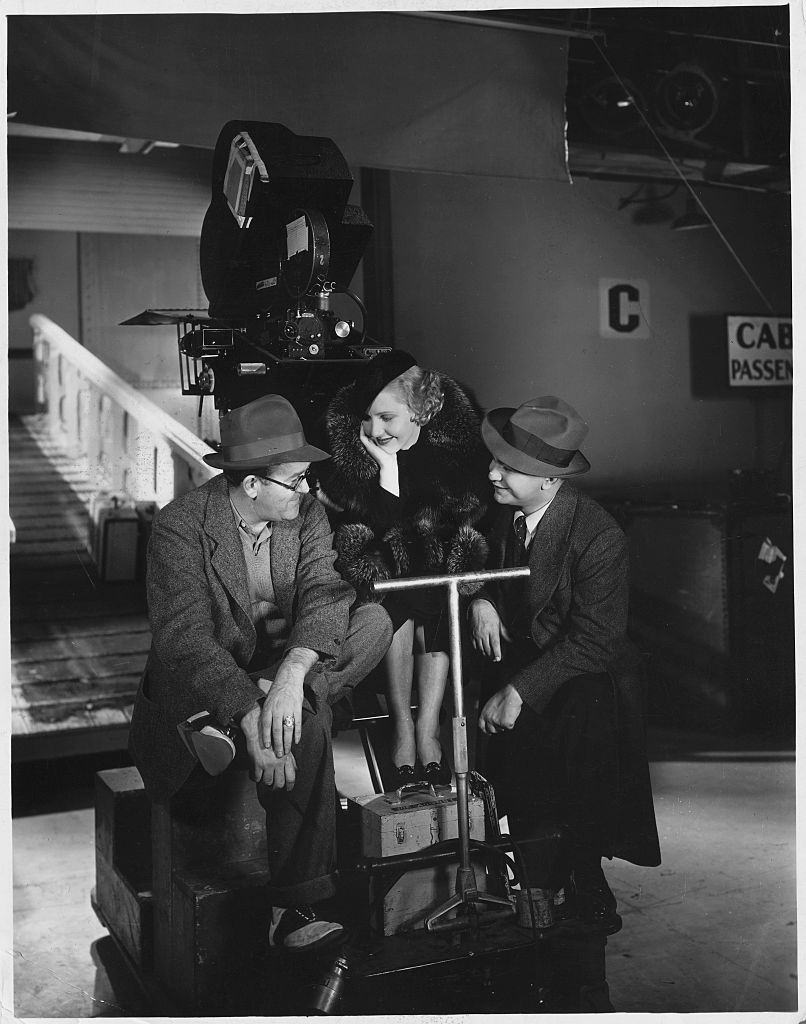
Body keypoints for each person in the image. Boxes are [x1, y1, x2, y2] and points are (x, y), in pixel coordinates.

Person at [129, 394, 392, 953]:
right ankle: (293, 907)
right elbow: (187, 643)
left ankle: (280, 704)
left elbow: (327, 589)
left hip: (279, 669)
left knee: (373, 619)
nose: (308, 490)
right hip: (208, 680)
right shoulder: (179, 529)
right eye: (296, 480)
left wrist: (290, 679)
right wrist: (252, 712)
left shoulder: (308, 514)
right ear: (252, 486)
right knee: (311, 726)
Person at [469, 395, 660, 1011]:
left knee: (571, 716)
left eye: (509, 467)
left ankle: (578, 876)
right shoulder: (500, 515)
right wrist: (480, 599)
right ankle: (535, 876)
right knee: (514, 749)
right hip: (524, 665)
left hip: (587, 678)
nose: (493, 474)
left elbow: (597, 638)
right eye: (494, 461)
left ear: (551, 478)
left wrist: (520, 690)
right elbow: (467, 560)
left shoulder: (597, 534)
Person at [321, 350, 491, 789]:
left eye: (387, 418)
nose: (375, 431)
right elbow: (381, 532)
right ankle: (402, 726)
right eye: (367, 418)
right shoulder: (365, 458)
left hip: (441, 581)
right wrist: (387, 468)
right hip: (386, 584)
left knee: (433, 596)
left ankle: (428, 727)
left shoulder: (457, 454)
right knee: (394, 595)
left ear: (420, 411)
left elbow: (457, 525)